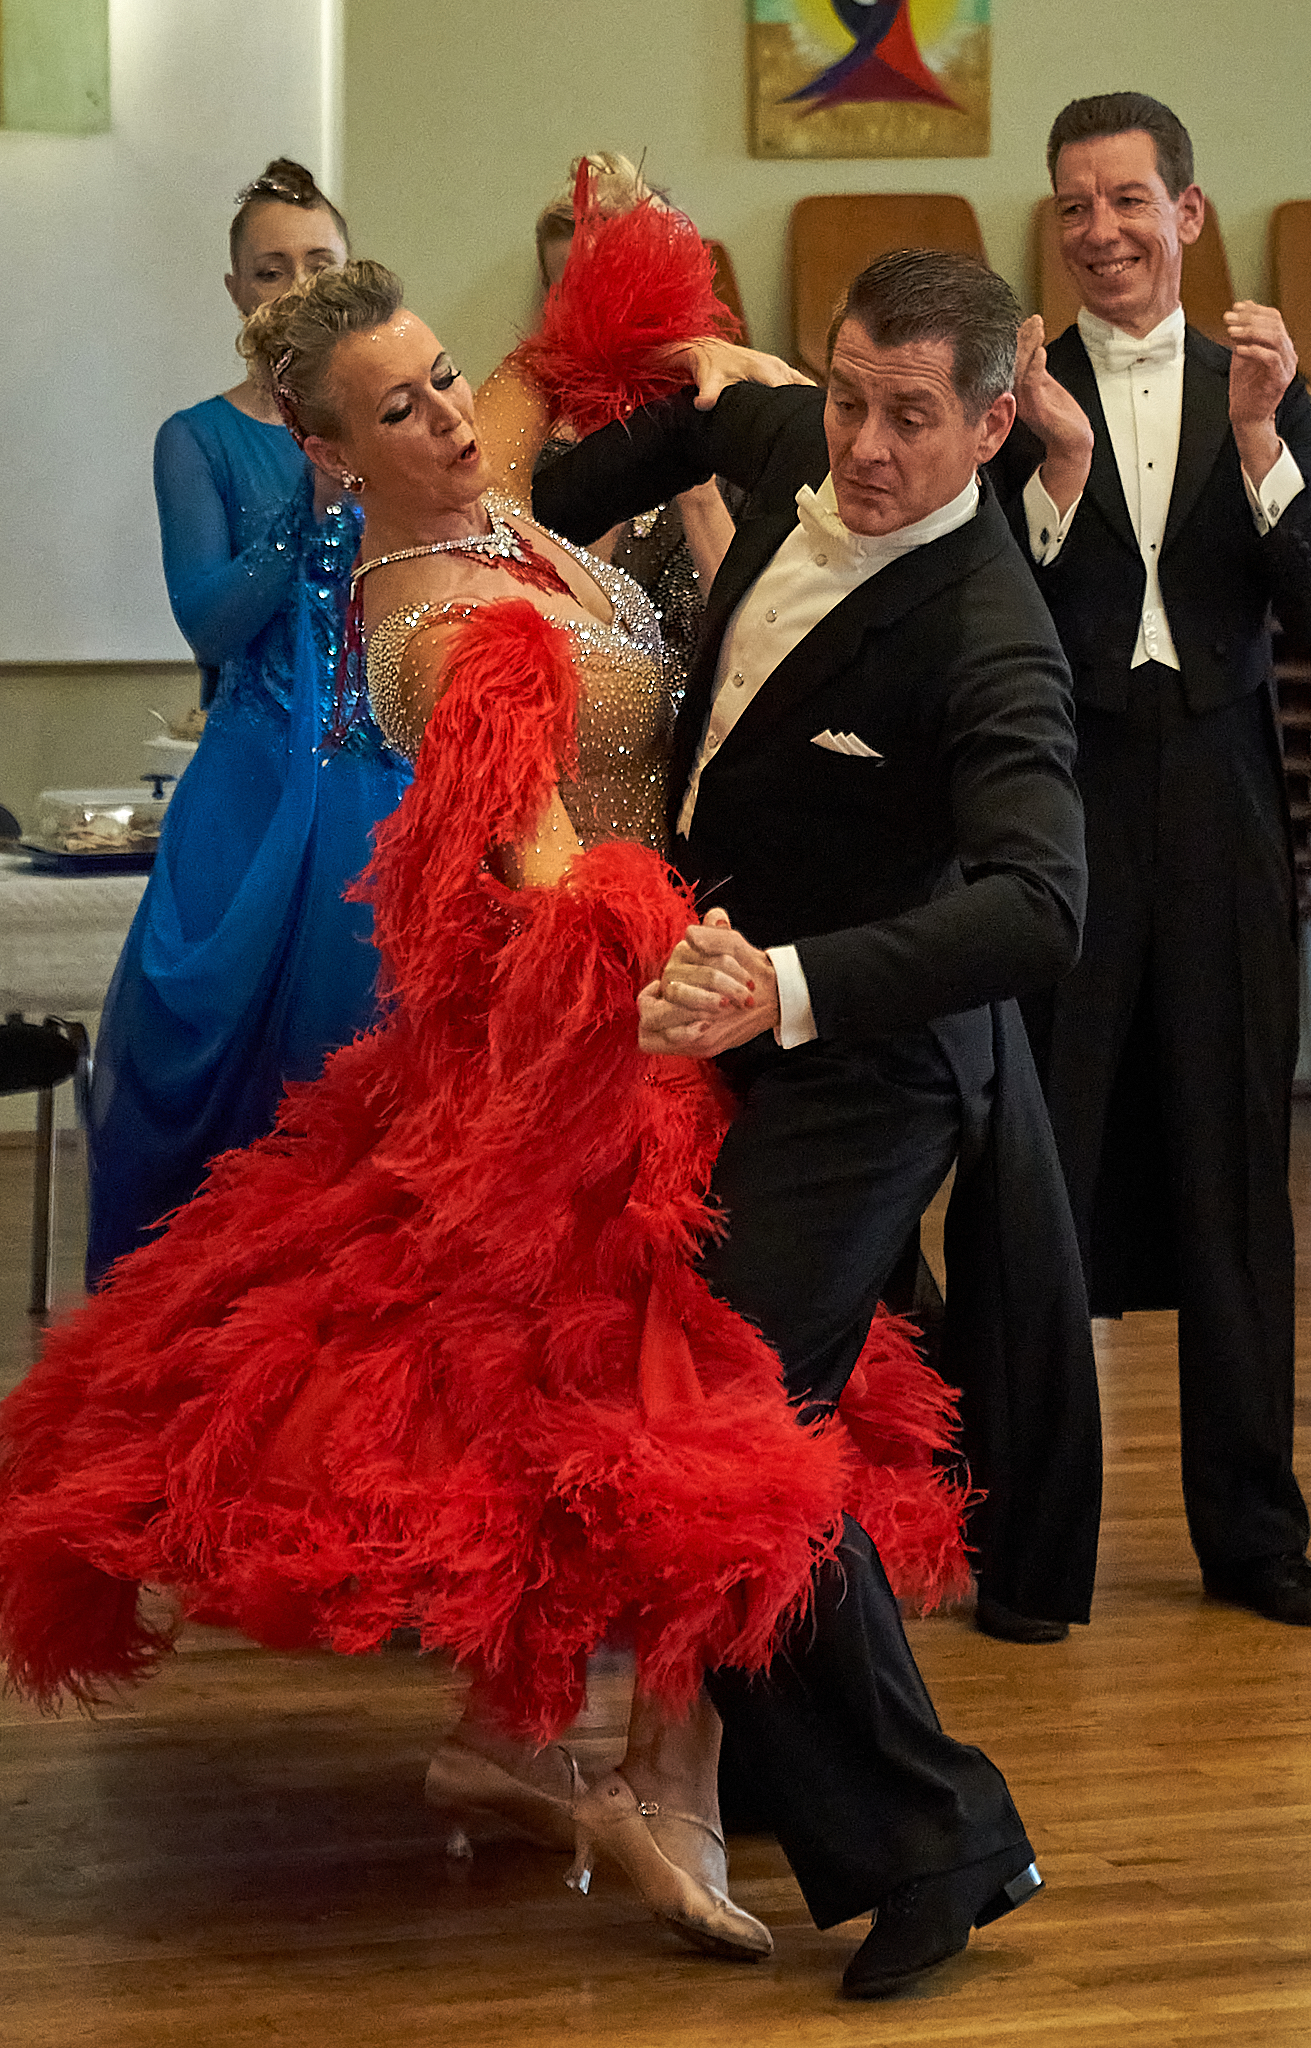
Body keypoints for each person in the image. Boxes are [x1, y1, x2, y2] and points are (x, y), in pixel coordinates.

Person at [0, 200, 975, 1985]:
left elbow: (544, 373)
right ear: (331, 456)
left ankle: (515, 1740)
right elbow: (549, 866)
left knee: (613, 1396)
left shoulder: (474, 472)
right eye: (400, 408)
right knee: (676, 1408)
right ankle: (665, 1781)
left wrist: (685, 332)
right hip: (599, 1037)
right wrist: (701, 968)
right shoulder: (444, 624)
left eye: (439, 379)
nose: (444, 417)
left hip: (637, 1016)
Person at [535, 245, 1101, 1993]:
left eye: (909, 418)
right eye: (848, 398)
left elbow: (1041, 906)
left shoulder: (990, 632)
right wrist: (539, 529)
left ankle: (941, 1832)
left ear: (992, 425)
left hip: (869, 1067)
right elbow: (654, 445)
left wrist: (782, 984)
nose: (861, 446)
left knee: (719, 1411)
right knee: (719, 1426)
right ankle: (845, 1803)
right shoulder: (795, 437)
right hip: (725, 1039)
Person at [990, 92, 1311, 1626]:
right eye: (1074, 205)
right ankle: (1030, 1548)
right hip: (1065, 811)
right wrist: (1055, 480)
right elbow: (988, 619)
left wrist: (1258, 440)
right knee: (1039, 1167)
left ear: (1186, 212)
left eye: (1126, 200)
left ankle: (1253, 1535)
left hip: (1230, 808)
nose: (1100, 230)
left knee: (1240, 1169)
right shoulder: (1015, 399)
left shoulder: (1271, 386)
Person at [85, 159, 412, 1285]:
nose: (297, 286)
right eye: (271, 270)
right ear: (237, 292)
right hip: (253, 785)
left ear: (354, 272)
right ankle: (185, 1317)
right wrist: (308, 514)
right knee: (202, 1036)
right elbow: (211, 624)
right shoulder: (198, 439)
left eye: (319, 262)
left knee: (361, 1051)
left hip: (379, 781)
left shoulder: (402, 423)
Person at [534, 151, 738, 705]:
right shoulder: (537, 440)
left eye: (616, 282)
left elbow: (752, 637)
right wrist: (613, 456)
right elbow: (559, 632)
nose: (601, 310)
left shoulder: (730, 416)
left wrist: (693, 478)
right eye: (574, 289)